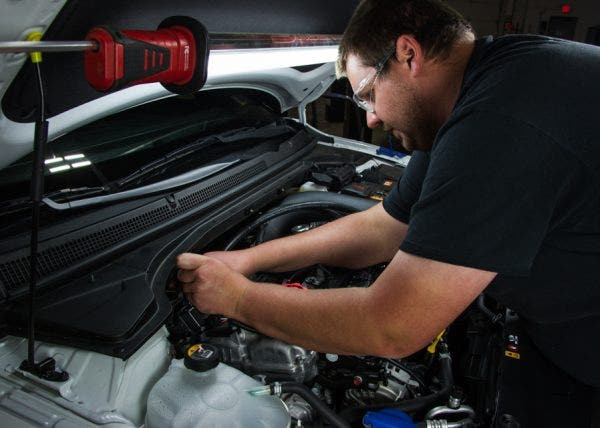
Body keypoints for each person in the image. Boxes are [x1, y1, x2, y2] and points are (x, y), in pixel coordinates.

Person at [176, 0, 600, 425]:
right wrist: (247, 259)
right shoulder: (482, 89)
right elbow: (382, 228)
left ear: (408, 54)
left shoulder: (500, 121)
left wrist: (237, 298)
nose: (374, 118)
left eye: (368, 96)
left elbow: (392, 326)